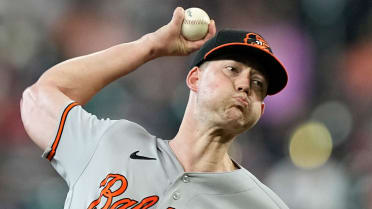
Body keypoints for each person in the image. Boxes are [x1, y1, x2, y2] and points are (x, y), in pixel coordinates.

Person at [20, 7, 289, 209]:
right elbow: (39, 97)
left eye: (258, 84)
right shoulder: (110, 144)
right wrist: (149, 47)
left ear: (260, 111)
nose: (245, 85)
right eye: (232, 69)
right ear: (194, 78)